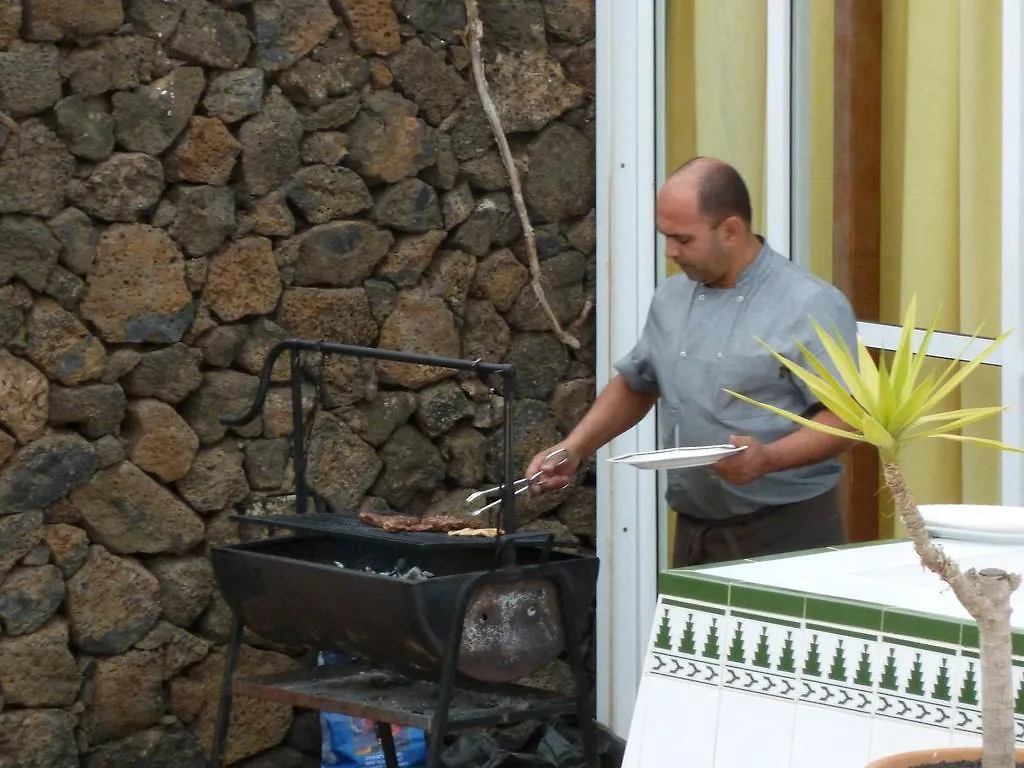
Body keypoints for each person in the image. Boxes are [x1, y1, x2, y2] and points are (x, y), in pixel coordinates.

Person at [525, 156, 860, 568]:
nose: (670, 252)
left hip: (790, 531)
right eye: (664, 237)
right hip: (696, 529)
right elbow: (638, 381)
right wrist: (573, 449)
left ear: (731, 230)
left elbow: (847, 419)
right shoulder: (671, 297)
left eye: (683, 239)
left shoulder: (808, 304)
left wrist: (768, 459)